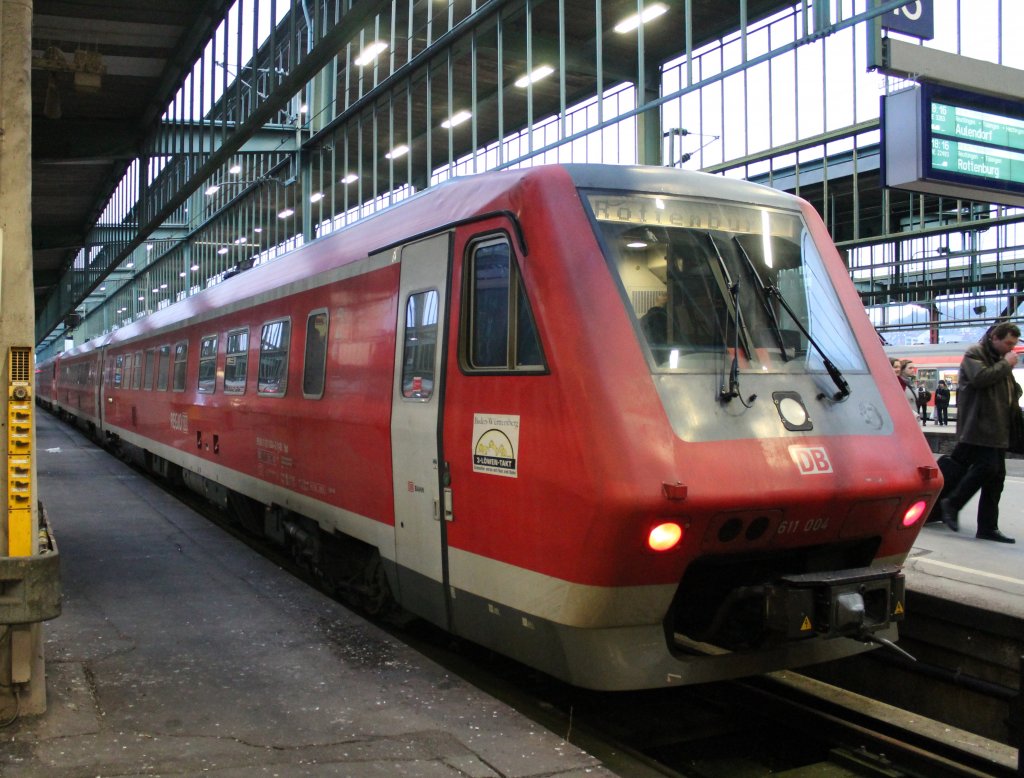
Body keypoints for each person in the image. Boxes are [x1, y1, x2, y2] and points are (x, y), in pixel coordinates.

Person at [938, 323, 1022, 543]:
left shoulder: (999, 360)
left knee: (997, 478)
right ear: (994, 337)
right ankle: (952, 503)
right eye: (1008, 343)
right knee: (987, 467)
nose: (1010, 348)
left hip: (998, 427)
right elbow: (980, 379)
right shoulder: (975, 353)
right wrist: (1006, 364)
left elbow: (1008, 389)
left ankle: (987, 526)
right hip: (980, 426)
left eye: (1013, 344)